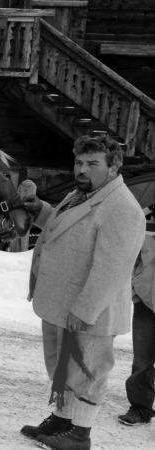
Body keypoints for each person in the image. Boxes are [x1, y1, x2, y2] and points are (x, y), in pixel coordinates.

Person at [20, 135, 146, 450]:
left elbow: (112, 268)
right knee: (63, 366)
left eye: (93, 163)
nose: (82, 169)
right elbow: (69, 227)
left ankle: (80, 435)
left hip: (89, 310)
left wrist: (85, 309)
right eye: (79, 162)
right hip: (61, 301)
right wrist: (41, 211)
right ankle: (63, 421)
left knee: (88, 370)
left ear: (114, 166)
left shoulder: (122, 208)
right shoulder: (84, 194)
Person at [119, 212, 155, 427]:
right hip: (146, 301)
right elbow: (132, 257)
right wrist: (135, 288)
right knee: (142, 361)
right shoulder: (144, 217)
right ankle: (140, 407)